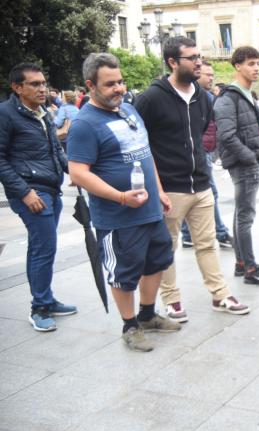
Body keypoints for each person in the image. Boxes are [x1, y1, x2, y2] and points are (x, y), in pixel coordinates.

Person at [68, 52, 181, 351]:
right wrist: (120, 197)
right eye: (110, 84)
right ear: (90, 85)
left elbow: (145, 153)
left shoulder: (129, 110)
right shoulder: (84, 124)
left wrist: (159, 191)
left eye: (120, 82)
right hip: (118, 216)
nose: (119, 88)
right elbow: (78, 173)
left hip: (150, 209)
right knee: (124, 272)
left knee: (157, 261)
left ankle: (147, 315)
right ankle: (129, 325)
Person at [134, 36, 249, 323]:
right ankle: (171, 300)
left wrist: (204, 159)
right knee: (166, 247)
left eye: (199, 56)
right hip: (170, 188)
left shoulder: (202, 95)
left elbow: (203, 133)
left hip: (201, 184)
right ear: (172, 62)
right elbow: (139, 144)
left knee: (207, 243)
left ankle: (220, 294)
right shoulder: (151, 98)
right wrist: (154, 186)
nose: (198, 62)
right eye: (191, 58)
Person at [0, 62, 77, 332]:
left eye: (43, 83)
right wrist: (24, 192)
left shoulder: (42, 112)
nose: (42, 88)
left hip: (51, 188)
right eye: (34, 84)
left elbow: (55, 149)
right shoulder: (6, 114)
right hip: (32, 191)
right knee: (44, 248)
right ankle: (40, 307)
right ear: (17, 87)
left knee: (42, 247)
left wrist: (74, 171)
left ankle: (47, 299)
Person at [213, 46, 259, 285]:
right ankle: (249, 266)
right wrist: (249, 156)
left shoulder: (245, 94)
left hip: (249, 160)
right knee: (245, 215)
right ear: (237, 66)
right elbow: (226, 135)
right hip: (244, 163)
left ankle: (240, 262)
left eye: (257, 63)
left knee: (241, 213)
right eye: (250, 63)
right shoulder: (229, 97)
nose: (256, 67)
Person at [180, 60, 233, 249]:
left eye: (212, 75)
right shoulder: (192, 97)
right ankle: (219, 232)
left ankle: (187, 234)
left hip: (205, 153)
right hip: (197, 154)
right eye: (207, 74)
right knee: (210, 192)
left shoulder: (206, 97)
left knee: (196, 193)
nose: (211, 78)